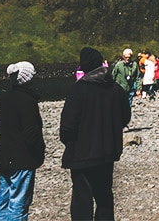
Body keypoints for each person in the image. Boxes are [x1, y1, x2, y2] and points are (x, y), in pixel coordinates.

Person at [59, 46, 131, 220]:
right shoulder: (116, 89)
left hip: (81, 153)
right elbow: (125, 117)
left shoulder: (78, 90)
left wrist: (69, 141)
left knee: (82, 199)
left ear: (83, 67)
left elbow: (67, 125)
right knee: (104, 197)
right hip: (107, 151)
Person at [0, 61, 45, 221]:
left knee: (3, 200)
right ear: (28, 79)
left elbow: (0, 127)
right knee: (19, 203)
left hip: (4, 154)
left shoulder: (4, 99)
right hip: (22, 157)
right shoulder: (27, 101)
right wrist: (39, 152)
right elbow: (32, 133)